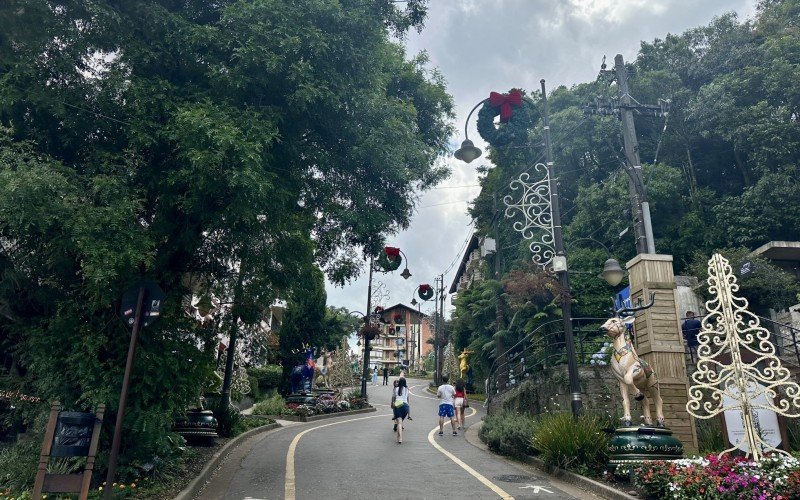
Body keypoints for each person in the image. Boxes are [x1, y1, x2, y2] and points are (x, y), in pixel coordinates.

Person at [392, 378, 410, 444]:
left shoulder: (395, 389)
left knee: (399, 423)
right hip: (405, 406)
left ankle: (400, 438)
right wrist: (409, 413)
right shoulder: (407, 390)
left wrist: (393, 404)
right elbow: (408, 400)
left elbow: (393, 399)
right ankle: (398, 438)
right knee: (401, 422)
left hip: (398, 405)